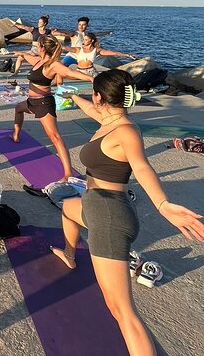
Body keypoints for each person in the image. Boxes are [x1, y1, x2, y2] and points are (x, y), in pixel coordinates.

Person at [52, 69, 204, 356]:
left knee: (122, 312)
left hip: (109, 216)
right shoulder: (109, 120)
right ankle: (69, 254)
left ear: (100, 97)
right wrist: (73, 95)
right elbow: (89, 108)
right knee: (68, 209)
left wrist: (162, 204)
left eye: (92, 96)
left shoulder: (126, 131)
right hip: (95, 205)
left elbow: (142, 166)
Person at [11, 35, 94, 181]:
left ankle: (68, 173)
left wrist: (92, 78)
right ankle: (16, 135)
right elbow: (27, 56)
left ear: (42, 47)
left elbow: (70, 73)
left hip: (43, 103)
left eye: (38, 45)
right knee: (18, 108)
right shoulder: (38, 61)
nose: (36, 47)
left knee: (55, 137)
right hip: (32, 101)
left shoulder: (53, 65)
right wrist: (20, 54)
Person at [61, 33, 137, 77]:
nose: (84, 41)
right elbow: (64, 47)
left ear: (92, 41)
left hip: (91, 71)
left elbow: (115, 53)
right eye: (84, 39)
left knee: (101, 83)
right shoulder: (78, 49)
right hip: (80, 71)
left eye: (86, 40)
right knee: (60, 74)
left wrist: (128, 55)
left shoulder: (96, 50)